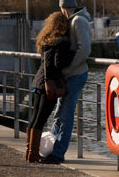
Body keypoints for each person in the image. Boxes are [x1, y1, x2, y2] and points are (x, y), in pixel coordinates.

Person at [41, 0, 91, 164]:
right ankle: (50, 149)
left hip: (76, 75)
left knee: (66, 115)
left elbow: (84, 49)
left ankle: (58, 153)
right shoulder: (75, 20)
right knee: (60, 114)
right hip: (72, 75)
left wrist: (69, 68)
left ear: (63, 7)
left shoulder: (78, 21)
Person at [26, 12, 75, 163]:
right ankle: (33, 154)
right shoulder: (62, 42)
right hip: (50, 86)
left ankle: (29, 152)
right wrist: (72, 54)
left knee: (35, 118)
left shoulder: (46, 41)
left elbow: (47, 63)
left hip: (38, 82)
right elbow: (58, 63)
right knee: (41, 119)